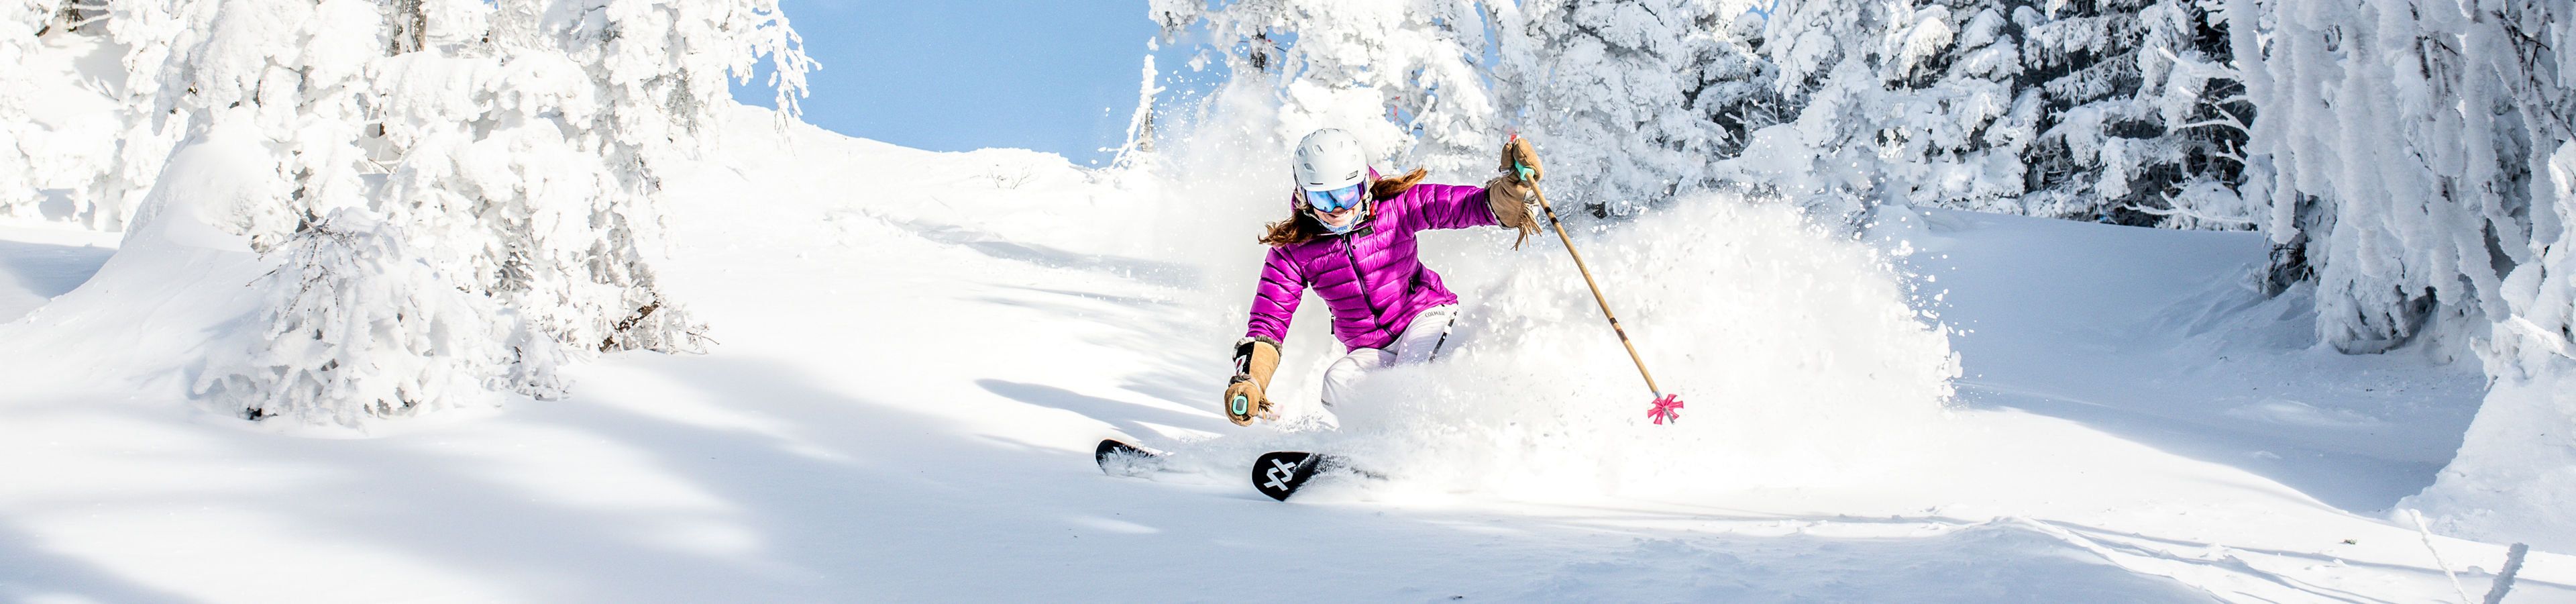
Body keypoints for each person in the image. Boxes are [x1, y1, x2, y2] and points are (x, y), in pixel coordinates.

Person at [1222, 128, 1545, 425]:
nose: (1338, 209)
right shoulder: (1294, 249)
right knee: (1338, 381)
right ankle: (1374, 452)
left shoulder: (1397, 206)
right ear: (1305, 197)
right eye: (1323, 197)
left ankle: (1435, 438)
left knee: (1412, 370)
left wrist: (1510, 192)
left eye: (1347, 194)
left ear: (1364, 185)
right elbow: (1267, 325)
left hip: (1423, 317)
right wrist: (1251, 379)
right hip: (1368, 347)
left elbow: (1467, 206)